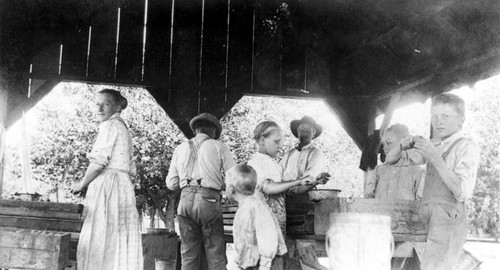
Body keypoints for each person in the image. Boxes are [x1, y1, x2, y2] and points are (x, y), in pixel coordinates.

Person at [385, 93, 480, 270]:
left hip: (447, 217)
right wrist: (401, 145)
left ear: (460, 120)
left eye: (445, 116)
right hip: (427, 216)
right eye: (435, 117)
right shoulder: (435, 144)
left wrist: (434, 157)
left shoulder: (466, 146)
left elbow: (462, 191)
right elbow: (390, 159)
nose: (438, 122)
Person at [71, 89, 143, 270]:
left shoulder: (110, 126)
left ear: (118, 107)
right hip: (122, 186)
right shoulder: (123, 127)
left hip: (108, 186)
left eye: (106, 104)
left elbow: (99, 162)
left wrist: (81, 184)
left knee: (100, 235)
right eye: (97, 104)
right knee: (116, 238)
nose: (100, 108)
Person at [166, 112, 236, 270]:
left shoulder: (180, 148)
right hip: (209, 200)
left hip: (185, 201)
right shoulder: (218, 146)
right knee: (215, 253)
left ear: (195, 130)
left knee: (188, 254)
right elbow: (233, 176)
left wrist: (187, 183)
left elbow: (171, 183)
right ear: (212, 130)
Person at [247, 121, 329, 233]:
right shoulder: (255, 163)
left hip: (277, 223)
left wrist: (315, 182)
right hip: (263, 222)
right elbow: (268, 187)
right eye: (276, 141)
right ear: (262, 140)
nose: (280, 146)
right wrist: (298, 181)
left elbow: (292, 189)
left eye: (280, 141)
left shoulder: (276, 165)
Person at [226, 164, 287, 270]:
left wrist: (265, 265)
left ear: (231, 189)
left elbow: (267, 235)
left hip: (265, 264)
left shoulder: (255, 207)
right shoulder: (245, 207)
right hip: (252, 263)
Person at [364, 124, 425, 200]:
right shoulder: (378, 171)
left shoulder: (417, 172)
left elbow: (421, 204)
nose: (384, 148)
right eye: (383, 144)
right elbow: (368, 200)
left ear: (404, 143)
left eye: (389, 143)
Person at [281, 116, 329, 195]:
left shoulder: (316, 153)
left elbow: (309, 180)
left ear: (313, 134)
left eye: (308, 131)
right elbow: (279, 174)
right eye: (302, 130)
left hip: (305, 196)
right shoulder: (289, 153)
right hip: (284, 194)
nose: (304, 134)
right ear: (298, 132)